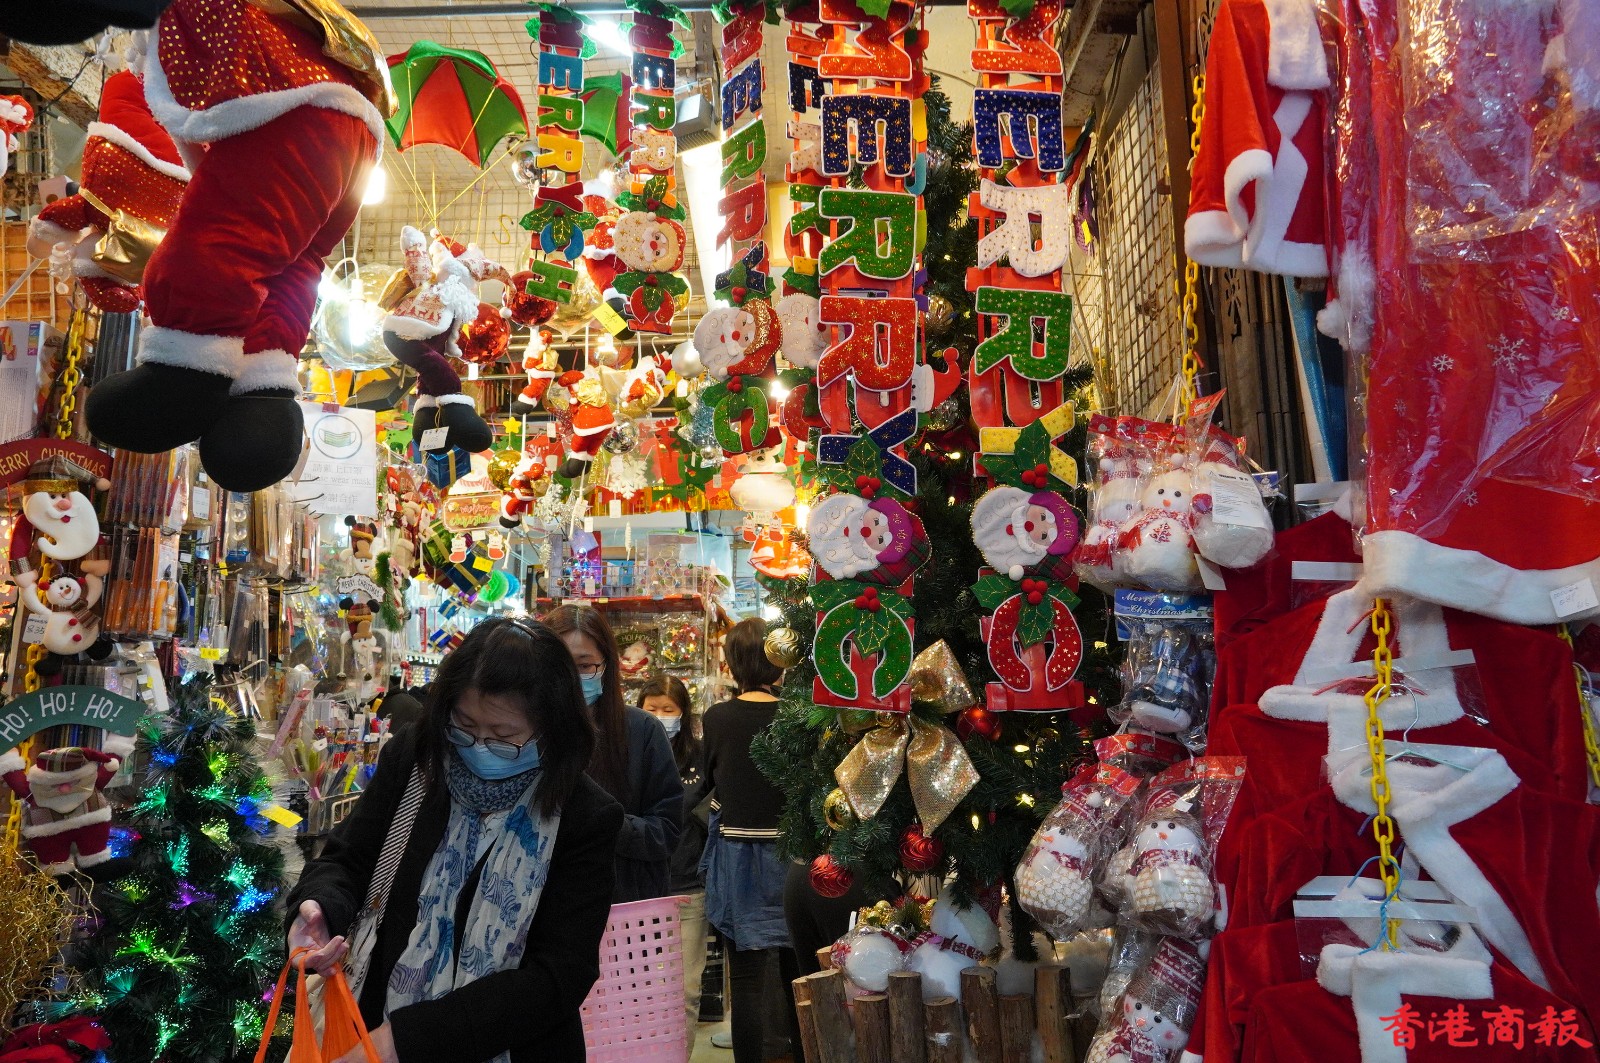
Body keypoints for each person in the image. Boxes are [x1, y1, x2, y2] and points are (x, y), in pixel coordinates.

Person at [285, 618, 623, 1063]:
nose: (479, 745)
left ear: (551, 728)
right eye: (464, 725)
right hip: (366, 1028)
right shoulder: (418, 759)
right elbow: (348, 859)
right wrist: (318, 908)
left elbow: (558, 975)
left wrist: (407, 1039)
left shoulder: (583, 815)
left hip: (508, 1048)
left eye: (504, 737)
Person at [696, 617, 802, 1063]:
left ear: (733, 663)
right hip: (794, 856)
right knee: (798, 977)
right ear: (780, 662)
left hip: (737, 858)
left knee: (745, 981)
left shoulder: (718, 718)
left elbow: (707, 782)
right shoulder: (797, 716)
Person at [543, 604, 684, 903]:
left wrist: (605, 824)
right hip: (544, 903)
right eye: (559, 663)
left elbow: (667, 830)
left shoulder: (643, 730)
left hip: (623, 909)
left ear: (607, 665)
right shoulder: (526, 730)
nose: (571, 677)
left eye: (584, 665)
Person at [638, 674, 711, 1046]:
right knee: (639, 992)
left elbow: (714, 806)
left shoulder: (700, 755)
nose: (660, 716)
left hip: (688, 889)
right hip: (636, 892)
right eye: (652, 709)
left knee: (684, 992)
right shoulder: (629, 752)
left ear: (683, 713)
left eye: (668, 709)